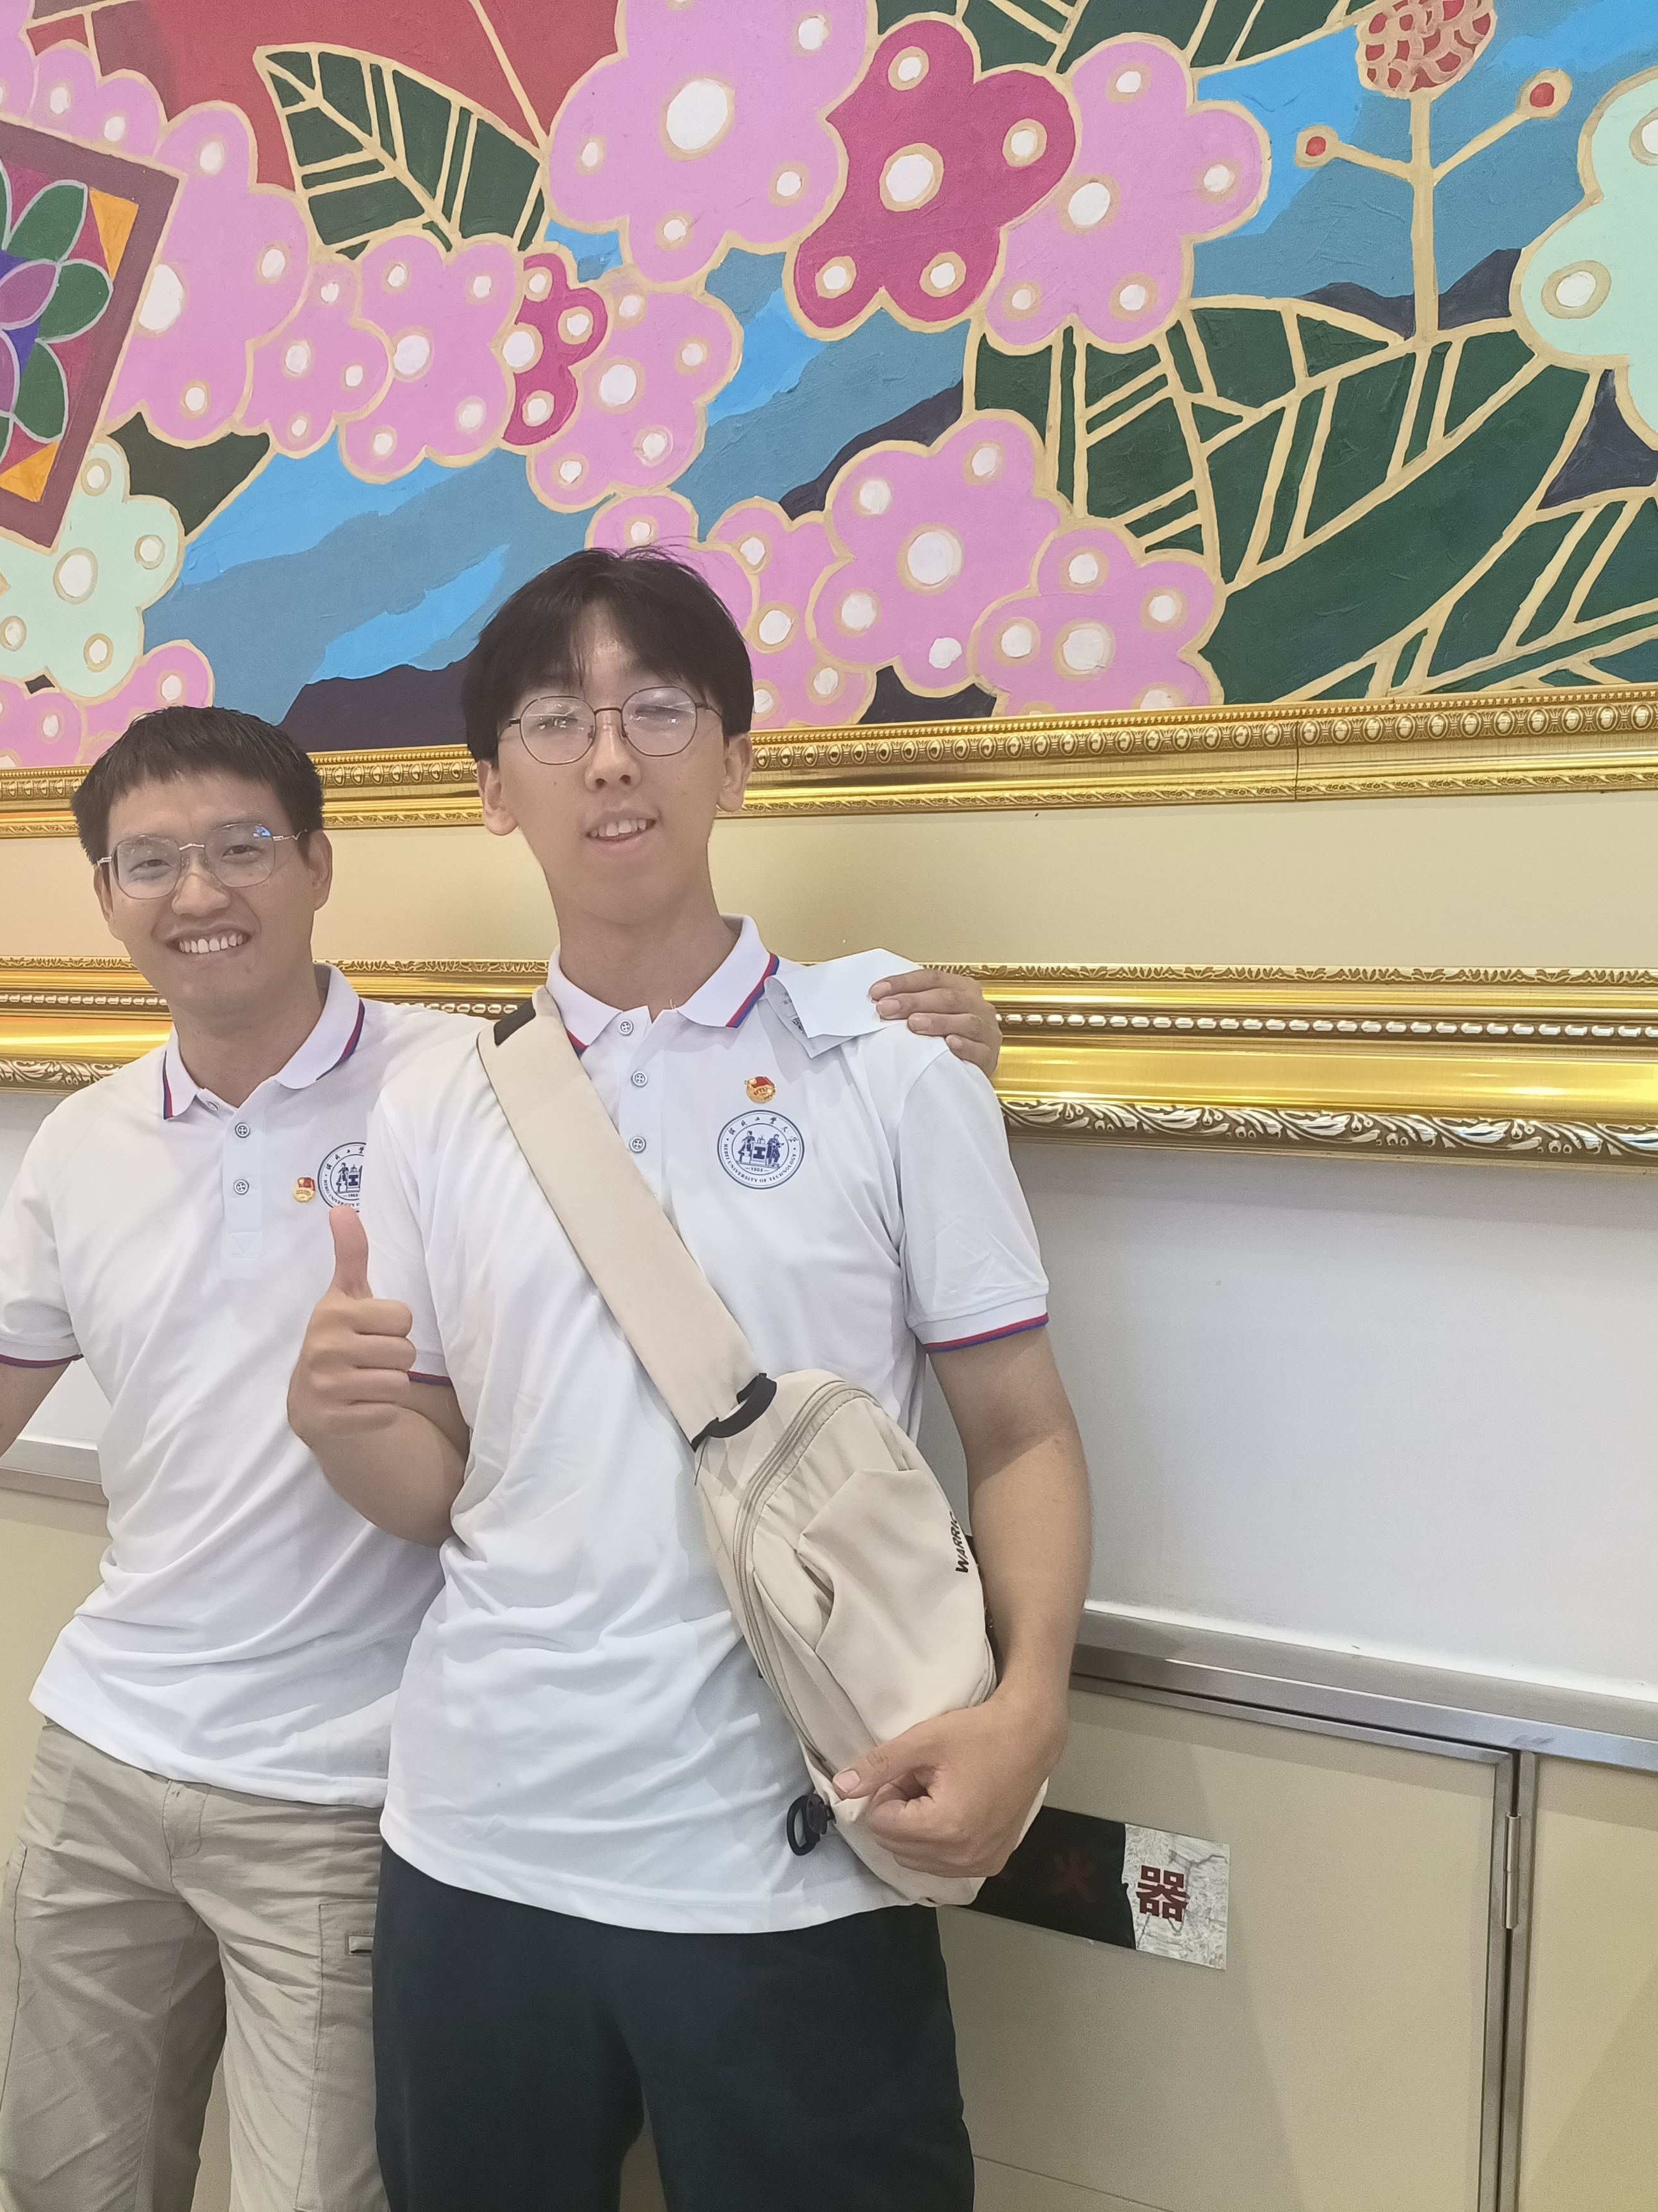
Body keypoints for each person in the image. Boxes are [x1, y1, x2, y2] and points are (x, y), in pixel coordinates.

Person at [0, 703, 1006, 2212]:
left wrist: (921, 1033)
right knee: (61, 2181)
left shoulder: (465, 1085)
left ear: (317, 865)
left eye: (241, 847)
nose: (197, 892)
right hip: (99, 1756)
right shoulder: (83, 1140)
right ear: (103, 896)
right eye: (148, 863)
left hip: (347, 1789)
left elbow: (682, 1072)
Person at [288, 552, 1094, 2212]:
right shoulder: (440, 1102)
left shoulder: (888, 1059)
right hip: (478, 1847)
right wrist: (342, 1424)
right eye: (554, 721)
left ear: (732, 759)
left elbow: (1019, 1431)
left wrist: (1027, 1715)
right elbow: (440, 1490)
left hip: (796, 1850)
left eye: (657, 710)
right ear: (493, 788)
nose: (608, 757)